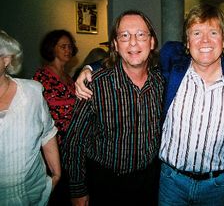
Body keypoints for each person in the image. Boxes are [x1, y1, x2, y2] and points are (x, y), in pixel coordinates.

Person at [74, 4, 224, 206]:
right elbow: (133, 59)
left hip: (218, 185)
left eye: (213, 33)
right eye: (196, 33)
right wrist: (89, 68)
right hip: (170, 182)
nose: (205, 41)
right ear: (186, 42)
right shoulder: (171, 68)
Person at [62, 10, 164, 206]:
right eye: (124, 36)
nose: (133, 42)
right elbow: (74, 142)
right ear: (116, 45)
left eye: (141, 35)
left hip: (150, 183)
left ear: (151, 43)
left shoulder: (161, 82)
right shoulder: (95, 85)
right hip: (106, 184)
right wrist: (77, 190)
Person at [0, 30, 61, 205]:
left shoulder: (31, 92)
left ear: (6, 59)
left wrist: (56, 173)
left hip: (34, 192)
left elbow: (47, 131)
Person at [33, 29, 78, 206]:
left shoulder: (70, 78)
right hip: (51, 144)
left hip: (71, 144)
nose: (68, 50)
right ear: (52, 48)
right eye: (63, 46)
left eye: (70, 46)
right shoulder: (41, 76)